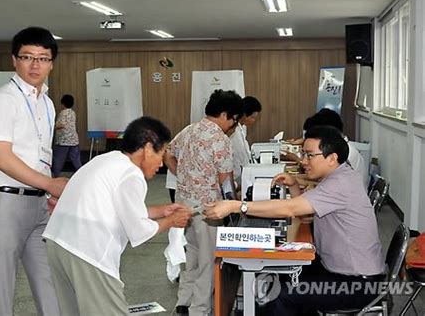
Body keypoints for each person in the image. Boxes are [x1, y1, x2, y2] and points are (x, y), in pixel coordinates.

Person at [205, 126, 385, 315]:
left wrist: (238, 206)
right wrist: (293, 185)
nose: (304, 161)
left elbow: (291, 208)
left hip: (356, 284)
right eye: (303, 154)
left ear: (332, 158)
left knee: (282, 294)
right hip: (339, 269)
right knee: (281, 274)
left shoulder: (340, 184)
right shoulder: (337, 176)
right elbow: (306, 214)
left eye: (309, 155)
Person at [42, 116, 191, 315]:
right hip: (88, 253)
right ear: (147, 149)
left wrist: (161, 211)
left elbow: (118, 211)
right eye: (161, 153)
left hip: (59, 243)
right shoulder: (132, 174)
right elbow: (139, 231)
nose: (162, 164)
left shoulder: (107, 160)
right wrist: (171, 221)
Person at [0, 27, 68, 316]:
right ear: (14, 60)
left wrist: (46, 191)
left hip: (39, 204)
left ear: (52, 63)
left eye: (43, 58)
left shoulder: (48, 102)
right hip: (5, 203)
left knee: (49, 279)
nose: (35, 65)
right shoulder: (3, 101)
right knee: (1, 284)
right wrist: (50, 184)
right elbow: (1, 158)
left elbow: (41, 154)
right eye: (27, 57)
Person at [164, 89, 243, 316]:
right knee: (209, 260)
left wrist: (184, 176)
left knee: (192, 254)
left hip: (183, 204)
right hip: (208, 210)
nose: (233, 126)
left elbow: (168, 154)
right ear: (226, 114)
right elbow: (226, 183)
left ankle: (183, 302)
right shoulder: (220, 139)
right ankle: (200, 309)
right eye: (234, 120)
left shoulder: (189, 130)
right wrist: (235, 207)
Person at [230, 96, 262, 184]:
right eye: (252, 117)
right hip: (236, 177)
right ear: (244, 114)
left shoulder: (241, 128)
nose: (254, 121)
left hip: (244, 174)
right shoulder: (232, 131)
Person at [51, 94, 82, 177]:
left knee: (59, 159)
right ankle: (82, 174)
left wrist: (52, 126)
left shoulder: (63, 113)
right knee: (76, 159)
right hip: (74, 140)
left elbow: (61, 125)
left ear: (63, 103)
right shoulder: (73, 113)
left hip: (63, 141)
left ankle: (55, 176)